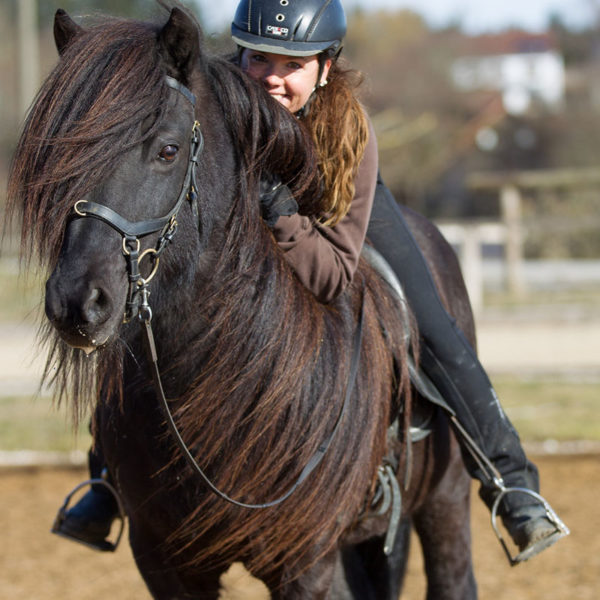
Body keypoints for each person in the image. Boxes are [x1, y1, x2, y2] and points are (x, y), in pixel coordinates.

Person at [57, 0, 567, 563]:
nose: (272, 76)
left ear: (326, 65)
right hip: (257, 242)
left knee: (432, 321)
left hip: (337, 215)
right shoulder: (212, 99)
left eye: (291, 63)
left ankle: (511, 481)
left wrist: (279, 211)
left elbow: (331, 277)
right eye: (258, 59)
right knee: (141, 298)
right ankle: (106, 473)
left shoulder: (348, 129)